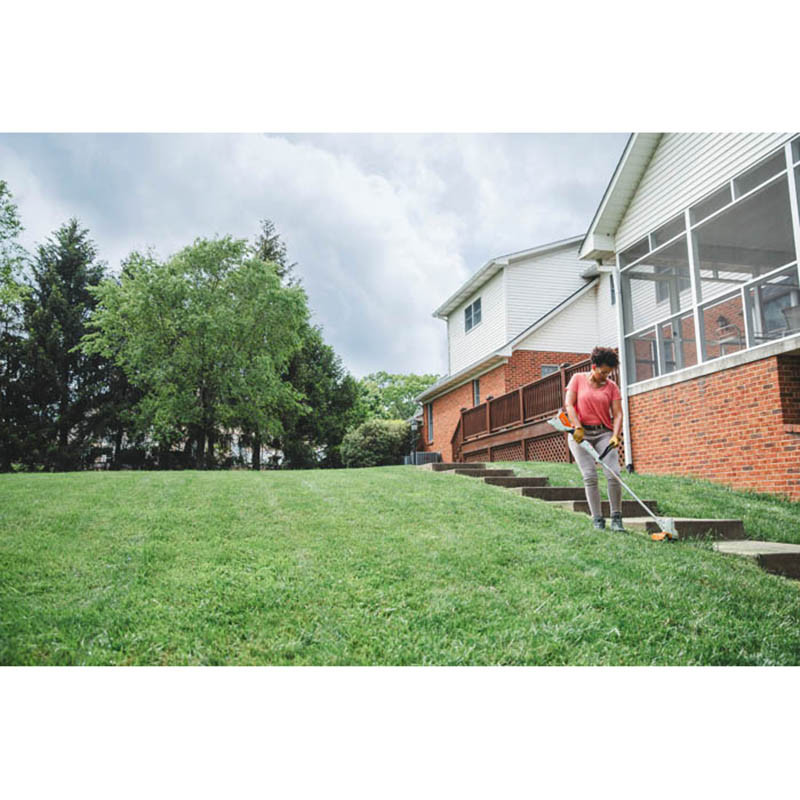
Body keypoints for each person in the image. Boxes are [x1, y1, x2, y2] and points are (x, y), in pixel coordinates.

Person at [564, 347, 624, 531]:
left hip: (603, 433)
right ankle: (597, 519)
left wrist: (615, 435)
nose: (606, 376)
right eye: (603, 372)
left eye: (609, 373)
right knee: (590, 476)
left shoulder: (612, 387)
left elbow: (618, 414)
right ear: (593, 367)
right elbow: (569, 404)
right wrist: (577, 426)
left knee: (614, 474)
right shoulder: (577, 379)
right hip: (580, 434)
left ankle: (616, 518)